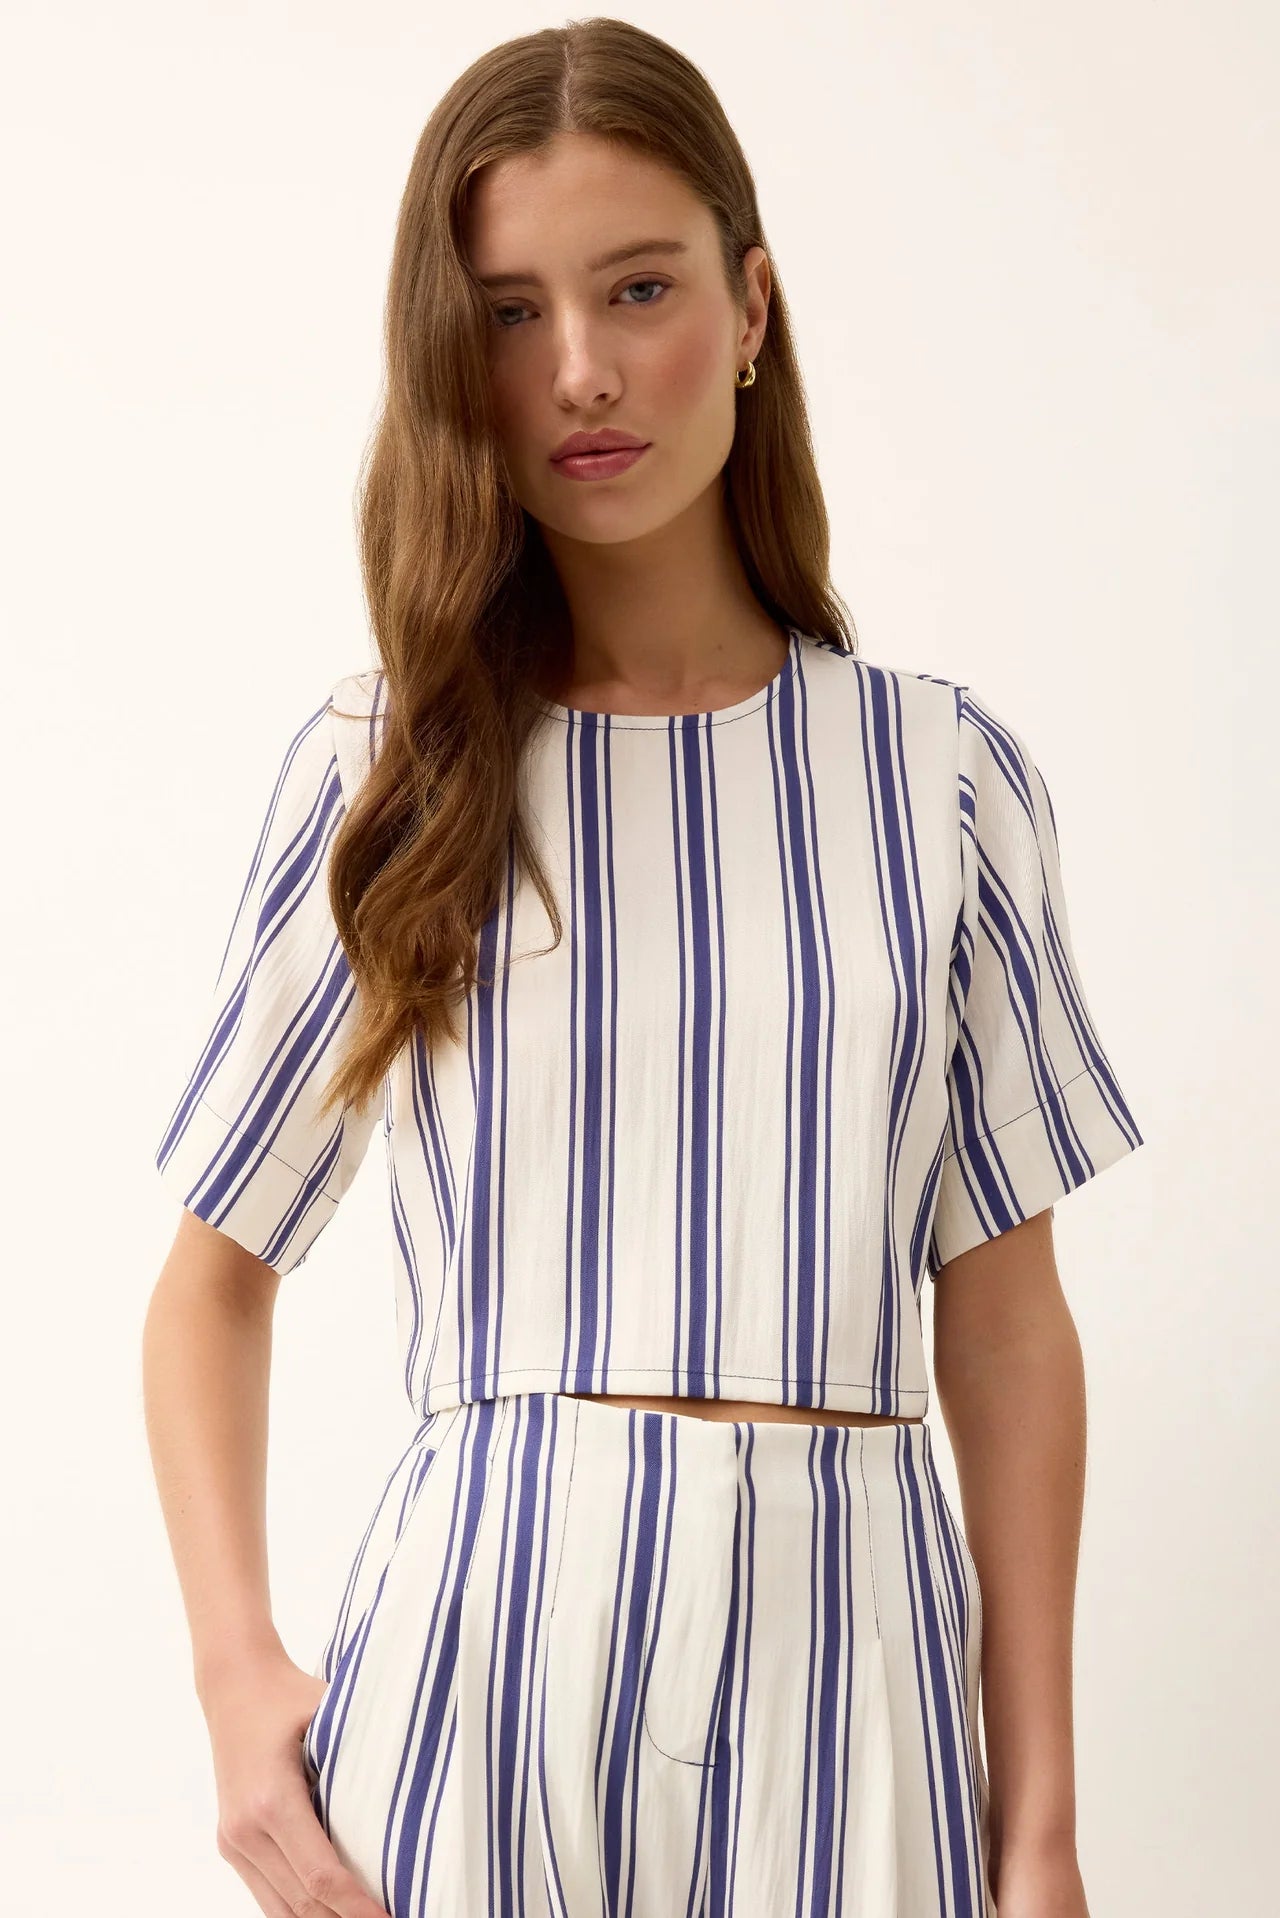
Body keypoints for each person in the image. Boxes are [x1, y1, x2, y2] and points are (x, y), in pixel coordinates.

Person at [143, 19, 1144, 1918]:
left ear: (753, 307)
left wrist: (1039, 1828)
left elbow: (1006, 1321)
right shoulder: (390, 776)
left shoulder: (937, 782)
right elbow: (206, 1284)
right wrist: (232, 1680)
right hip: (481, 1656)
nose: (581, 372)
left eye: (639, 288)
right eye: (509, 314)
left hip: (859, 1671)